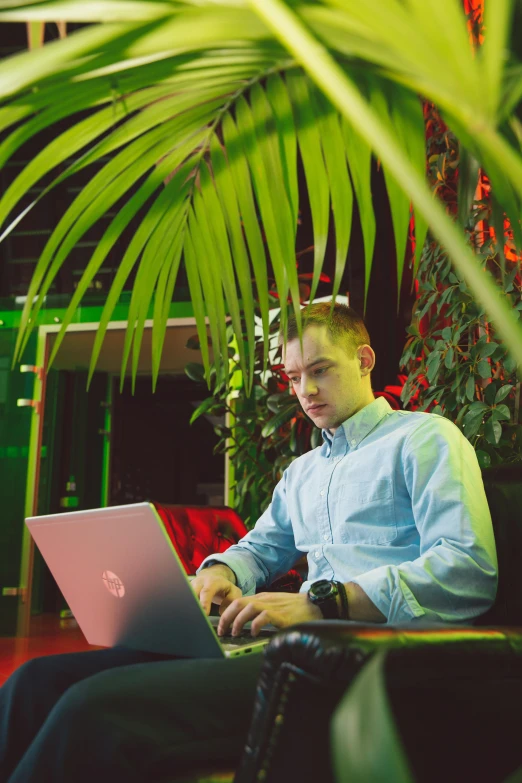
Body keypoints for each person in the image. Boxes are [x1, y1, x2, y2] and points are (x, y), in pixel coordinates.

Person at [0, 303, 497, 782]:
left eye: (319, 370)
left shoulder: (425, 438)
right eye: (294, 376)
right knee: (32, 683)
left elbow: (467, 569)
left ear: (364, 360)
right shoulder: (303, 472)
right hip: (285, 644)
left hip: (364, 657)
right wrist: (220, 573)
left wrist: (323, 604)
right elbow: (259, 548)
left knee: (94, 709)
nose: (305, 390)